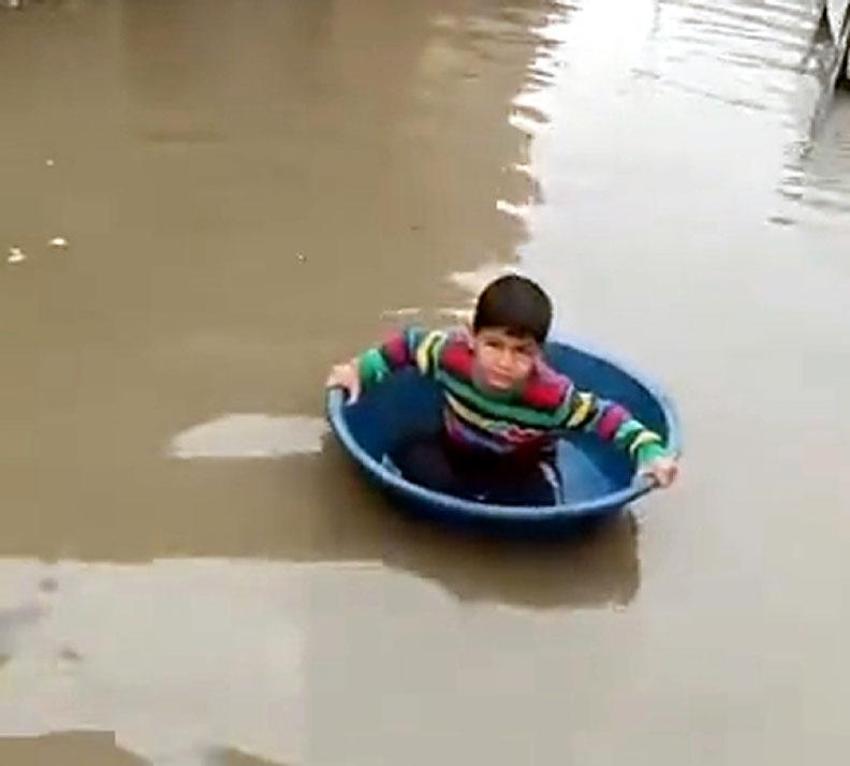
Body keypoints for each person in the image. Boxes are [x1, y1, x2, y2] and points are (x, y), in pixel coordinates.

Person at [326, 274, 679, 505]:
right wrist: (358, 370)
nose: (505, 362)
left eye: (521, 351)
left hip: (520, 464)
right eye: (493, 345)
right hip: (457, 449)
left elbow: (609, 418)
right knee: (406, 454)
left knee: (541, 505)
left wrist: (649, 452)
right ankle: (466, 498)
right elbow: (405, 347)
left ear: (539, 353)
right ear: (470, 336)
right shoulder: (448, 356)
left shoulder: (552, 397)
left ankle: (486, 503)